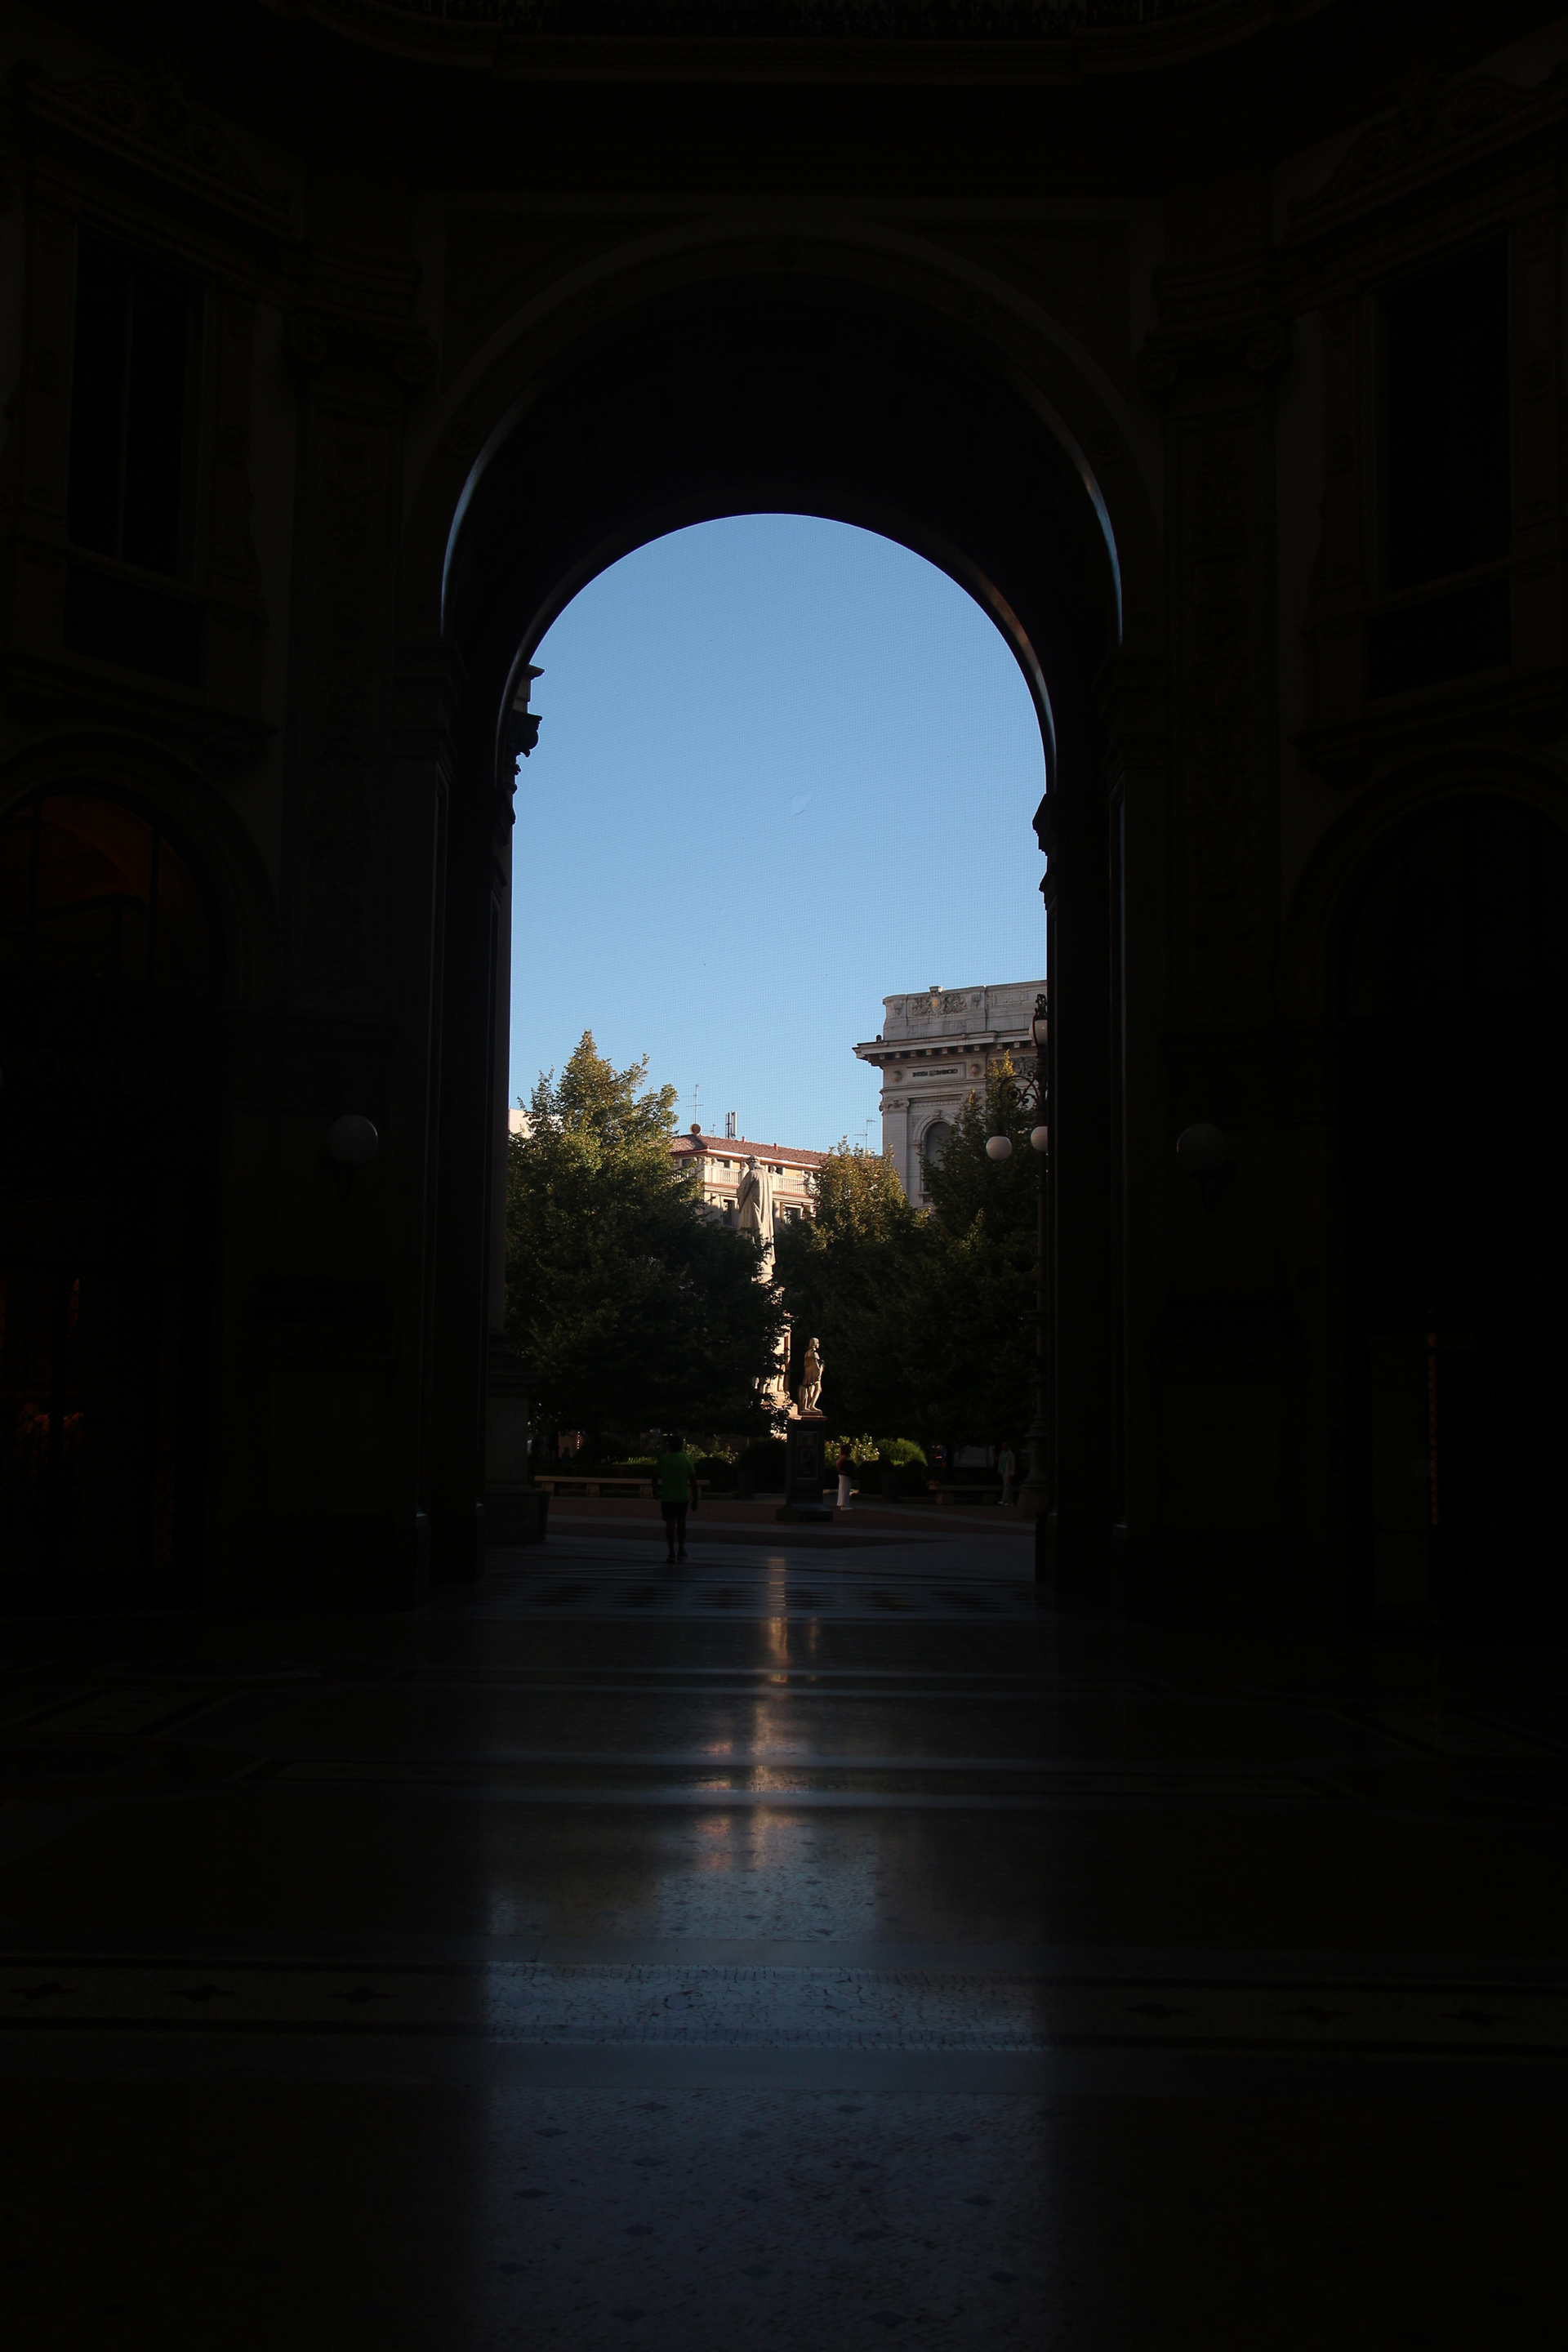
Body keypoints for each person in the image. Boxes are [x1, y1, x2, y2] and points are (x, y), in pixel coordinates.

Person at [656, 1431, 698, 1563]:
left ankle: (671, 1553)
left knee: (670, 1525)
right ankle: (681, 1550)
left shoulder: (663, 1459)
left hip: (667, 1497)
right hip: (682, 1497)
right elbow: (693, 1481)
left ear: (669, 1445)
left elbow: (654, 1476)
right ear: (681, 1446)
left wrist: (655, 1491)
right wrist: (695, 1499)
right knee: (681, 1524)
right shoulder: (686, 1460)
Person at [998, 1441, 1018, 1509]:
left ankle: (1003, 1500)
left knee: (1006, 1486)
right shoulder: (1002, 1453)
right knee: (1008, 1486)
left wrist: (1012, 1472)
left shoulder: (1010, 1454)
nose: (1003, 1447)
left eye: (1004, 1445)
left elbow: (1013, 1463)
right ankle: (1010, 1501)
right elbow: (1000, 1461)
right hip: (1003, 1471)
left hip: (1008, 1472)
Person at [835, 1443, 853, 1512]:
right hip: (844, 1475)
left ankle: (846, 1504)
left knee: (847, 1489)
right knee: (844, 1489)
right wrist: (840, 1470)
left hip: (847, 1475)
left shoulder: (847, 1456)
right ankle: (843, 1504)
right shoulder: (844, 1456)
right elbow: (838, 1463)